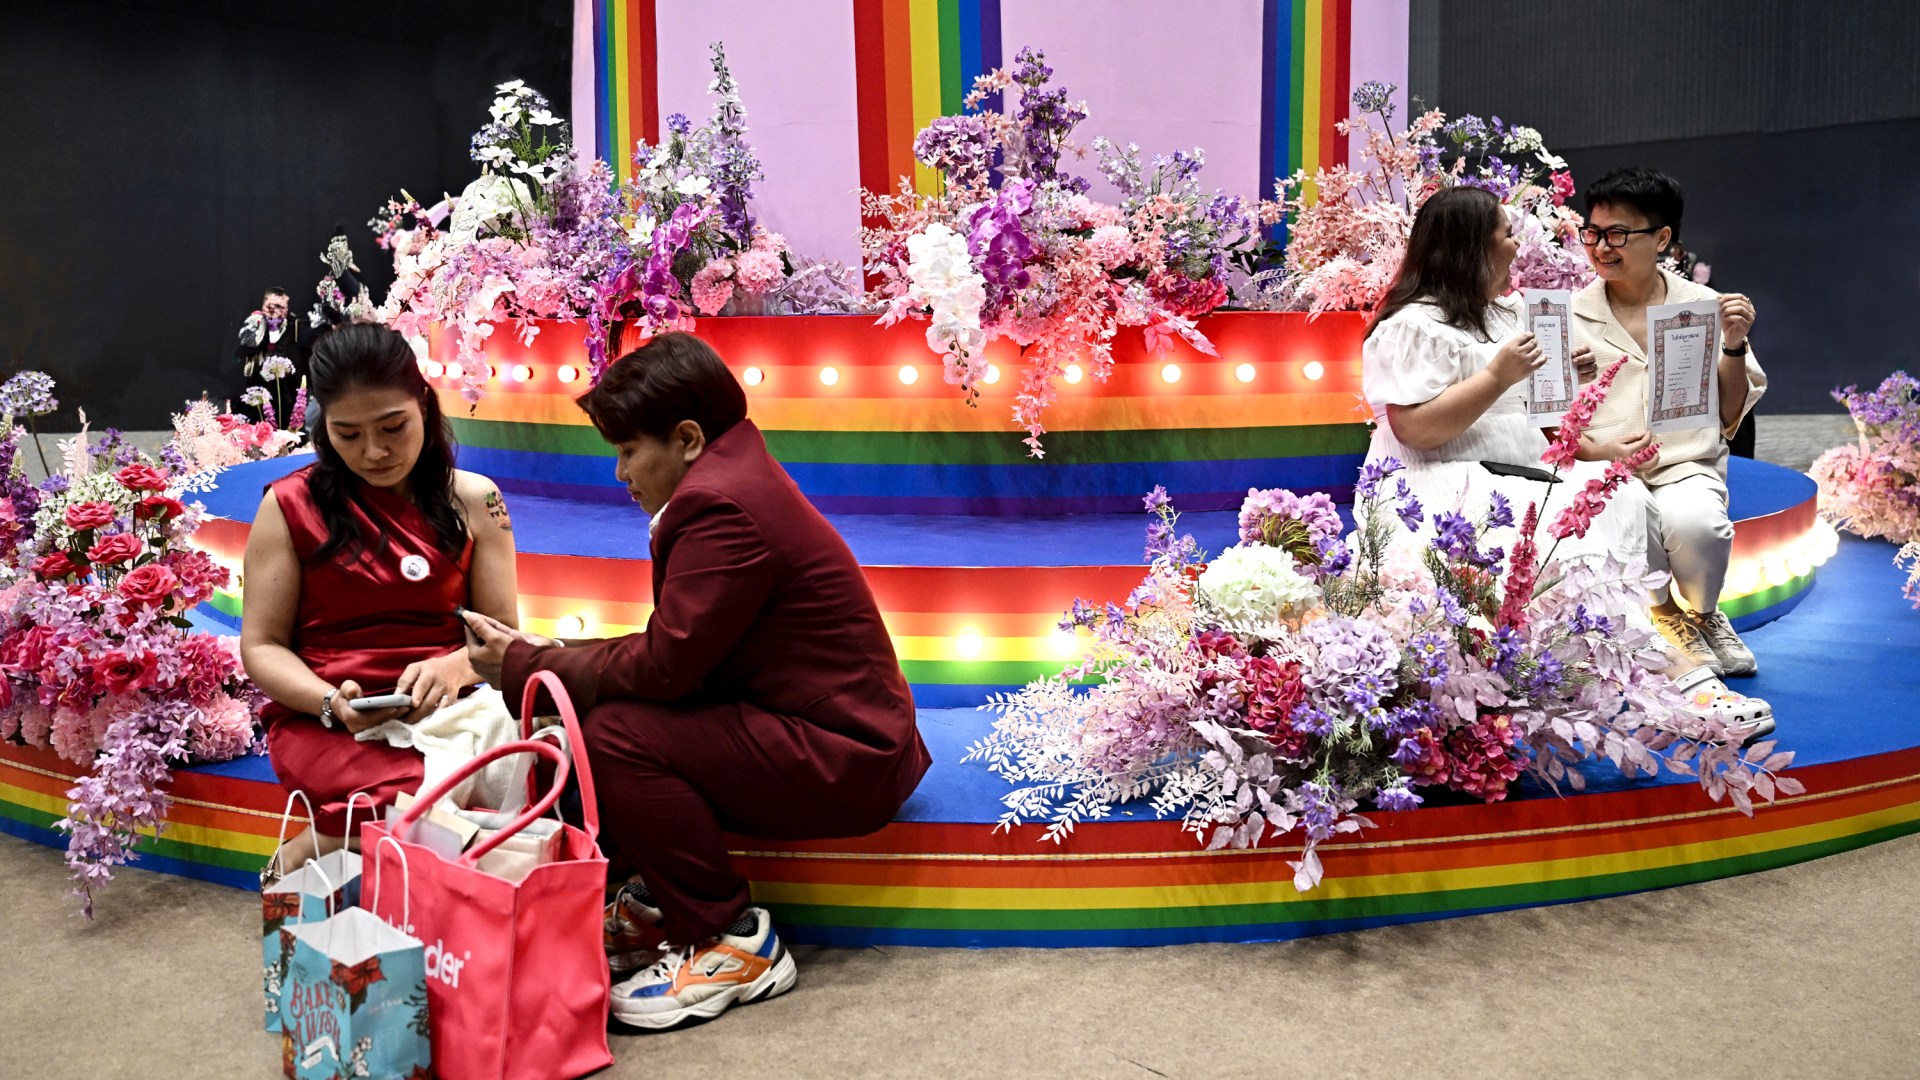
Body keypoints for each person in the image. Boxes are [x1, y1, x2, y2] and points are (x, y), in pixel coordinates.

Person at [461, 332, 931, 1032]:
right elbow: (679, 655)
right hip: (820, 731)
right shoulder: (732, 474)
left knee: (616, 733)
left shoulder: (721, 506)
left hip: (844, 758)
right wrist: (548, 655)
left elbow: (667, 665)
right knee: (606, 714)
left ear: (685, 437)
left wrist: (531, 660)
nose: (620, 473)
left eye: (627, 452)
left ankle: (730, 941)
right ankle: (658, 903)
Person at [1361, 185, 1770, 731]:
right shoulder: (1414, 325)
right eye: (1507, 234)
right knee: (1575, 548)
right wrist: (1498, 377)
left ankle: (1667, 655)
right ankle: (1676, 685)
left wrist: (1576, 412)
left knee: (1615, 502)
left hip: (1523, 472)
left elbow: (1541, 420)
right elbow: (1414, 429)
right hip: (1449, 484)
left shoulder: (1504, 316)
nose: (1517, 246)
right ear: (1472, 248)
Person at [240, 322, 520, 865]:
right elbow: (263, 646)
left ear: (425, 406)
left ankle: (333, 840)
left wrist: (455, 667)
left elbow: (502, 635)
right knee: (413, 804)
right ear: (324, 428)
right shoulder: (288, 506)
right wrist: (328, 700)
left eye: (393, 427)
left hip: (455, 710)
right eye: (348, 435)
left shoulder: (478, 500)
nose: (373, 452)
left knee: (563, 756)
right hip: (327, 723)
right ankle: (322, 845)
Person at [1569, 168, 1767, 678]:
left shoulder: (1702, 306)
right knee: (1628, 519)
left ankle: (1704, 614)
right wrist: (1580, 407)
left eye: (1618, 234)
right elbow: (1547, 419)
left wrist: (1733, 344)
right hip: (1604, 468)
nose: (1601, 247)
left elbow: (1730, 413)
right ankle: (1665, 614)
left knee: (1698, 526)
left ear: (1661, 238)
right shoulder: (1568, 314)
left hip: (1684, 460)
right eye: (1592, 233)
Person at [235, 287, 312, 389]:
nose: (276, 311)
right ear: (264, 306)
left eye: (281, 307)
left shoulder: (294, 324)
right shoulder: (256, 322)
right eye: (271, 307)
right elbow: (242, 349)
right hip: (258, 384)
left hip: (286, 386)